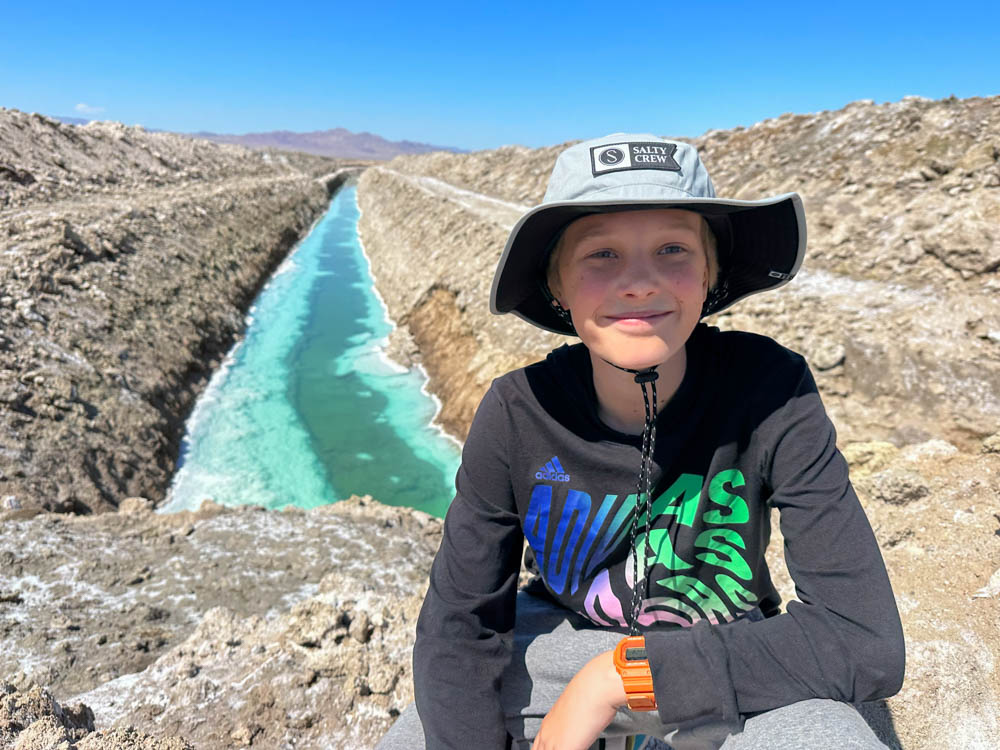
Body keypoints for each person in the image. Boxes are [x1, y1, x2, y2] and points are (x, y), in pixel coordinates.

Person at [376, 133, 905, 750]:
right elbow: (459, 627)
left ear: (709, 274)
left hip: (724, 651)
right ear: (556, 286)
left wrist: (613, 680)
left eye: (672, 248)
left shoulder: (771, 389)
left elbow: (864, 639)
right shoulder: (516, 412)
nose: (638, 282)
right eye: (601, 254)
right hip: (560, 645)